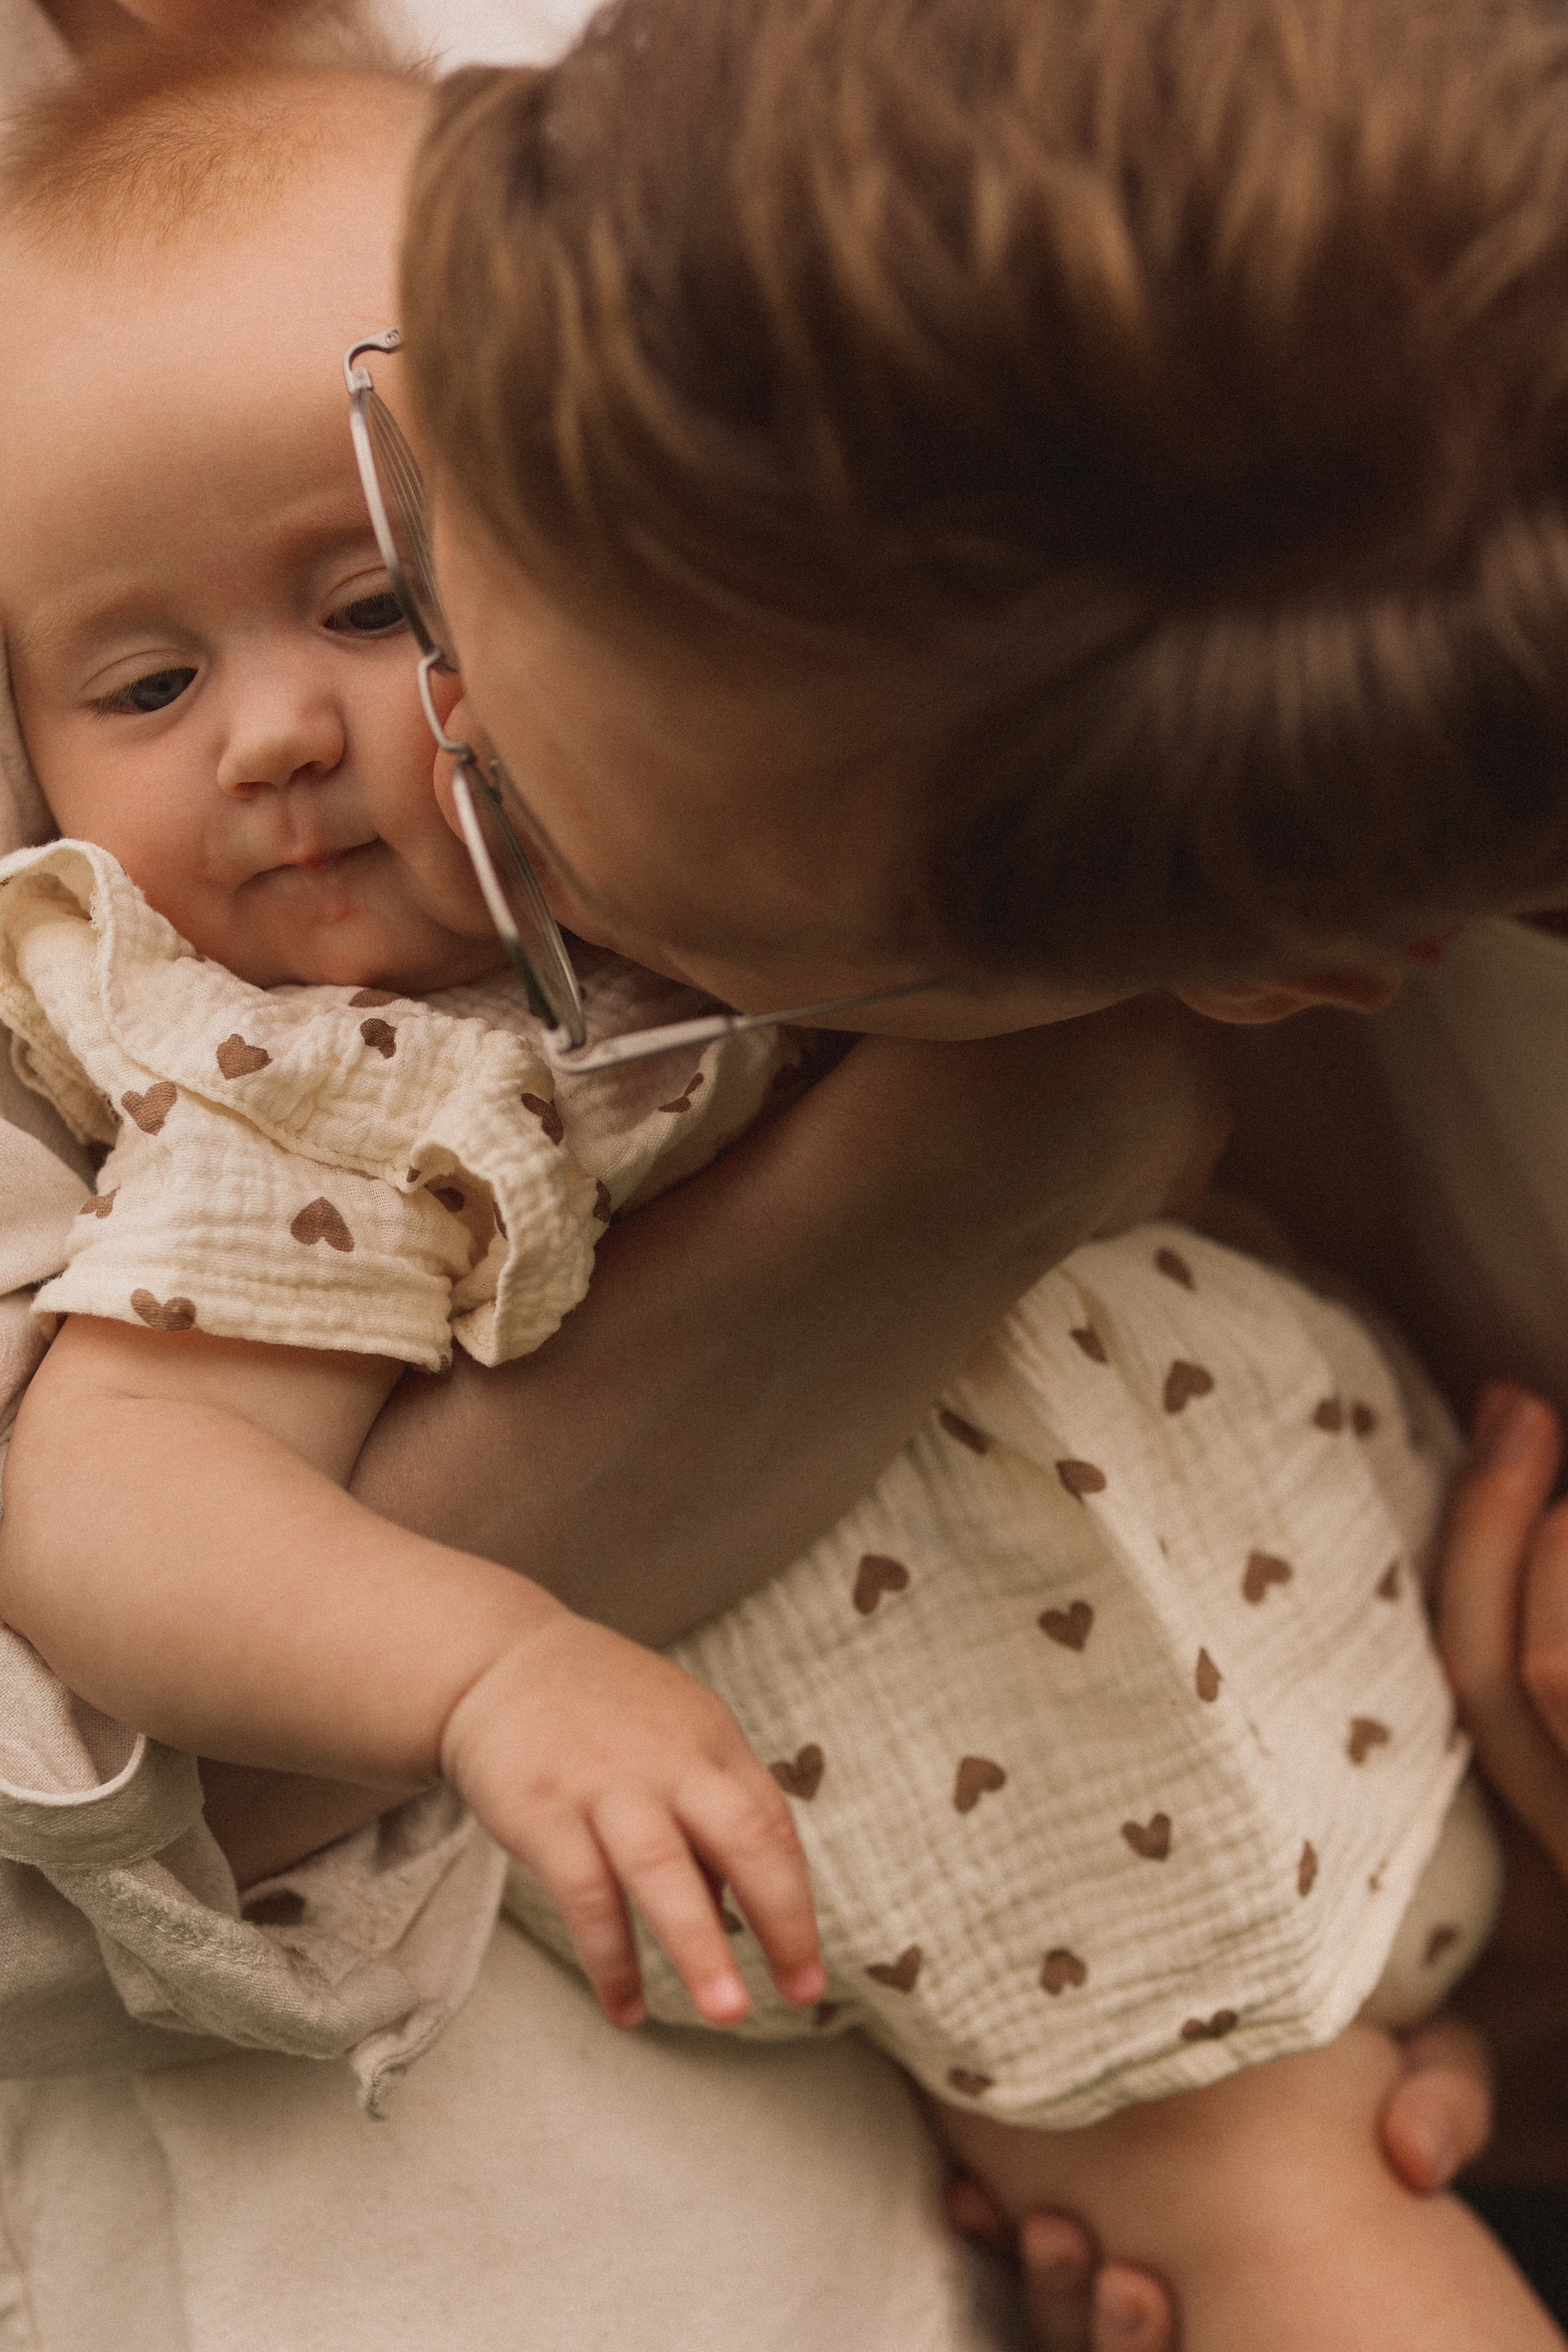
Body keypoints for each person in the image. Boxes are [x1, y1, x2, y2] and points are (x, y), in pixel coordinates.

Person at [1, 20, 1566, 2350]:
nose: (386, 729)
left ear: (1234, 979)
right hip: (1079, 1906)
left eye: (383, 590)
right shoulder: (336, 1082)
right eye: (142, 677)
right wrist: (490, 1665)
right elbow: (116, 1522)